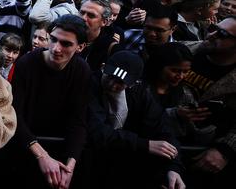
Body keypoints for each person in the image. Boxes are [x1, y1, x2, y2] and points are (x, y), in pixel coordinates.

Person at [11, 15, 91, 189]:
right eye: (53, 40)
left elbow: (78, 120)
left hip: (60, 150)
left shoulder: (81, 70)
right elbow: (14, 115)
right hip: (25, 146)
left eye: (66, 44)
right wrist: (42, 156)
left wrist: (70, 165)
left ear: (80, 47)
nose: (56, 48)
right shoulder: (27, 63)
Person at [87, 51, 186, 189]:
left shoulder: (140, 94)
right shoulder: (89, 84)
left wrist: (173, 168)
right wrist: (143, 144)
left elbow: (163, 129)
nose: (112, 84)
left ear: (133, 84)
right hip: (90, 163)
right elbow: (98, 131)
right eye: (110, 76)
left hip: (125, 169)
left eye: (121, 82)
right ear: (103, 67)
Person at [184, 16, 236, 186]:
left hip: (204, 155)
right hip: (164, 137)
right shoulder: (185, 50)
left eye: (221, 34)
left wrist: (225, 151)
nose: (211, 34)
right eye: (213, 27)